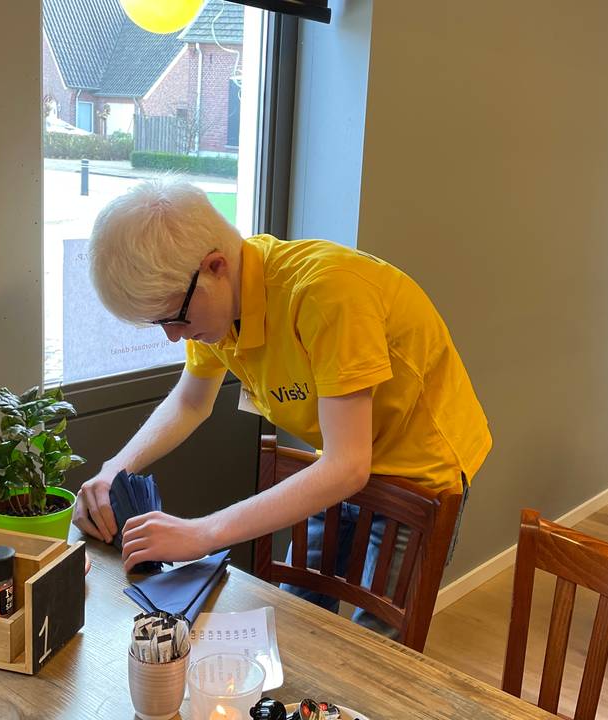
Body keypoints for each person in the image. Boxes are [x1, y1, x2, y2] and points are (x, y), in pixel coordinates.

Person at [74, 179, 490, 634]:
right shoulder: (219, 306)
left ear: (215, 266)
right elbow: (192, 402)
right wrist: (117, 466)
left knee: (381, 639)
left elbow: (348, 466)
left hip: (418, 472)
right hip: (338, 458)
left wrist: (203, 533)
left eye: (175, 319)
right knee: (291, 619)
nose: (174, 336)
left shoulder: (327, 293)